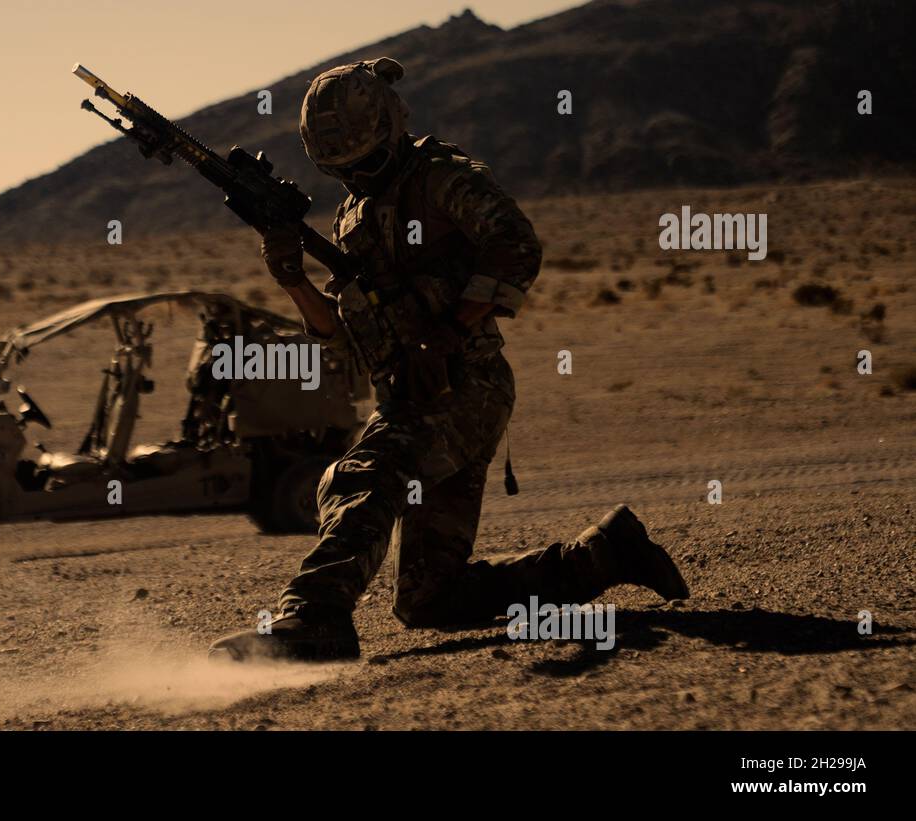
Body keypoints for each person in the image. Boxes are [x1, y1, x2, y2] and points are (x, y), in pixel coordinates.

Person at [210, 58, 688, 662]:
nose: (357, 173)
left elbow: (515, 244)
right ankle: (605, 554)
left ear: (390, 129)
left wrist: (448, 330)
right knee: (429, 599)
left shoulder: (441, 176)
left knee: (360, 479)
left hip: (468, 387)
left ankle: (314, 619)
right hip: (410, 396)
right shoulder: (352, 217)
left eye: (367, 159)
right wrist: (290, 279)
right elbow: (342, 340)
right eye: (342, 167)